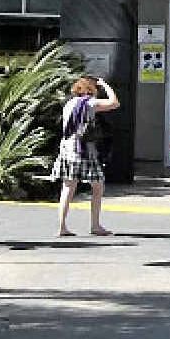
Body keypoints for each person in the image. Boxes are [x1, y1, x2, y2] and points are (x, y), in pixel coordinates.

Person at [53, 76, 119, 237]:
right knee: (98, 185)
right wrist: (105, 84)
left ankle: (62, 226)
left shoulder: (69, 104)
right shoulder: (90, 103)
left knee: (68, 187)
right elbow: (114, 102)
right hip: (85, 150)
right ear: (90, 90)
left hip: (67, 149)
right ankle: (95, 225)